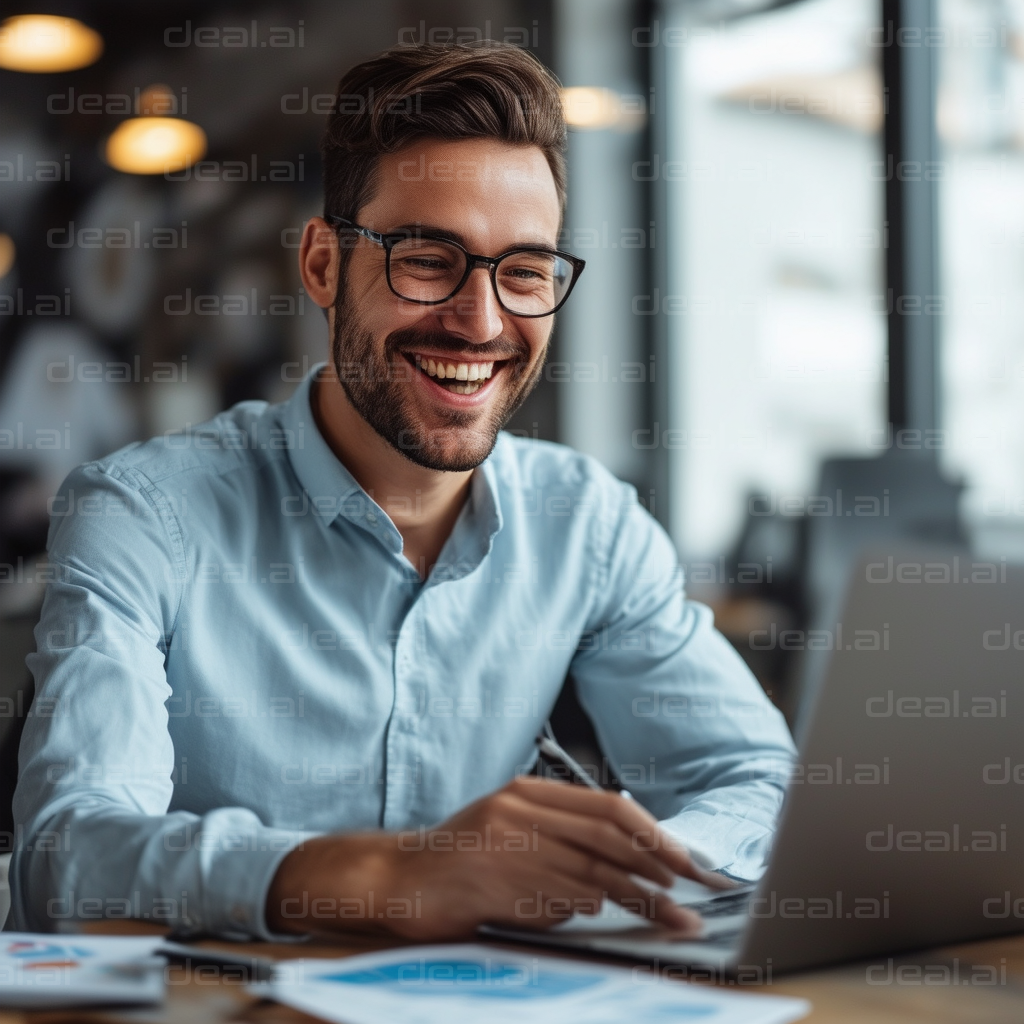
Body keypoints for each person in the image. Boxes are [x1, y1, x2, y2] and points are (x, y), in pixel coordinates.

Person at [10, 42, 794, 941]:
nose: (483, 320)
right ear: (321, 266)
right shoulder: (144, 513)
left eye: (526, 272)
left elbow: (760, 784)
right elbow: (65, 861)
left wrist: (617, 871)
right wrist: (374, 875)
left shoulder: (589, 523)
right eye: (428, 258)